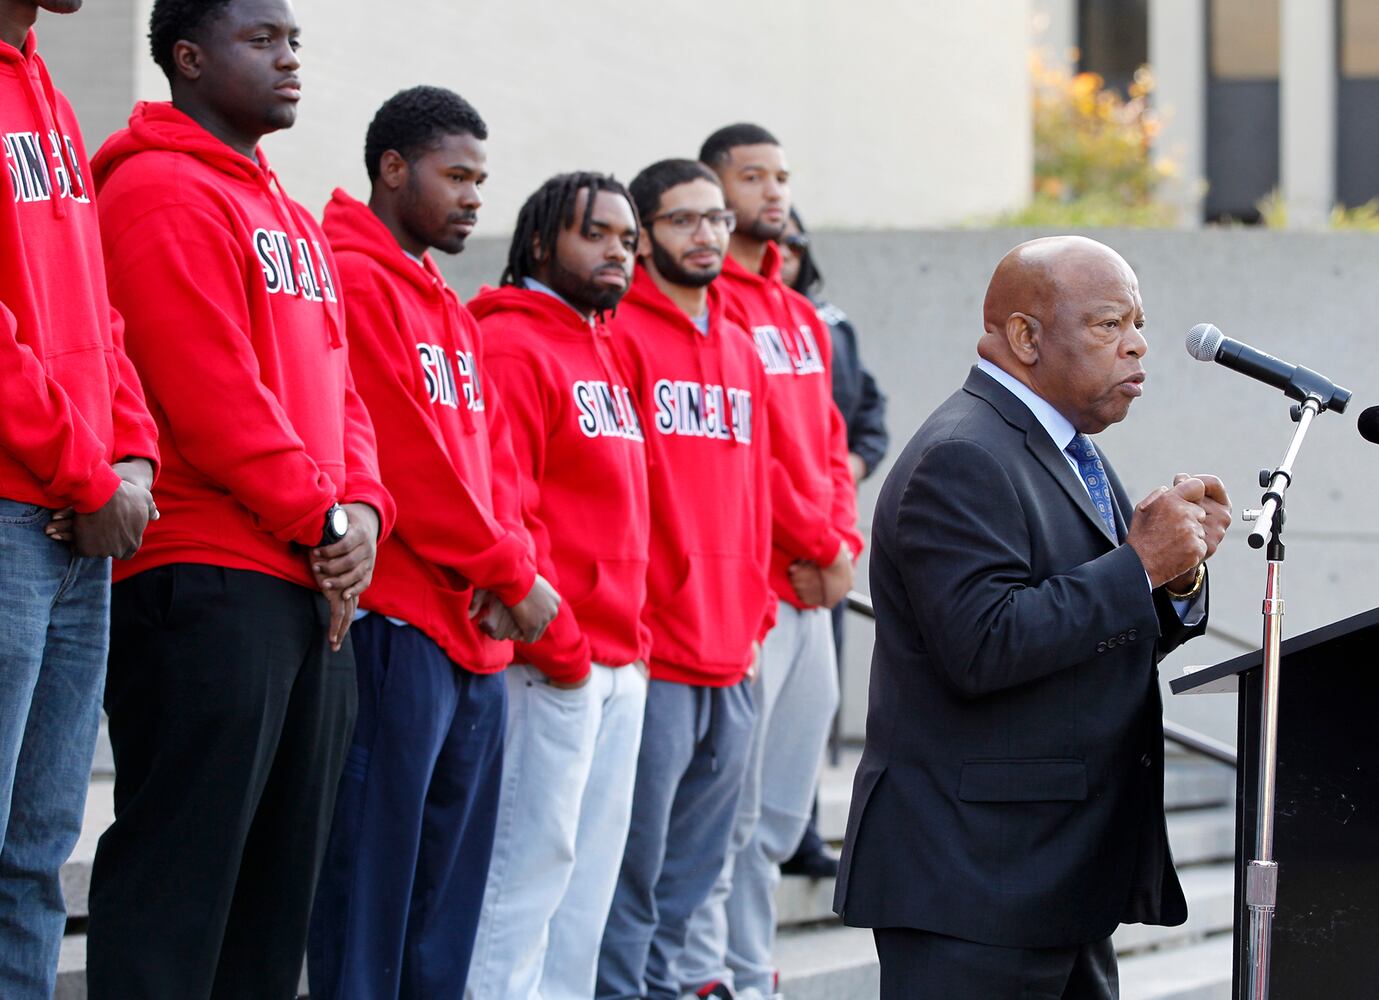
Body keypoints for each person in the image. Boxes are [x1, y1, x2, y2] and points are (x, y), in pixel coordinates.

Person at [84, 1, 395, 995]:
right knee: (183, 884)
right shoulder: (159, 191)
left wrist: (363, 513)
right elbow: (208, 389)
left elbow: (343, 391)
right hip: (207, 577)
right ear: (187, 58)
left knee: (274, 902)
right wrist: (325, 520)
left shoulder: (288, 215)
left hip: (307, 574)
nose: (289, 58)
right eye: (261, 41)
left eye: (294, 40)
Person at [834, 235, 1231, 1000]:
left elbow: (1096, 632)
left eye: (1138, 322)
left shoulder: (1067, 448)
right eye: (1108, 324)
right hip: (975, 885)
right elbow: (981, 646)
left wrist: (1175, 580)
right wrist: (1137, 565)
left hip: (1056, 878)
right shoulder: (963, 455)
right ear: (1023, 336)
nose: (1138, 344)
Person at [307, 86, 560, 1000]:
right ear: (391, 168)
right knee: (370, 893)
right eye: (455, 176)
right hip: (396, 625)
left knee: (444, 907)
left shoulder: (446, 303)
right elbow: (407, 462)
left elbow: (487, 465)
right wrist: (505, 569)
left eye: (481, 181)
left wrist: (508, 574)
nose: (472, 197)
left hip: (474, 635)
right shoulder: (352, 275)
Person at [679, 123, 863, 1000]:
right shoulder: (711, 308)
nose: (772, 192)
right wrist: (816, 547)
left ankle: (748, 971)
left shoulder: (796, 314)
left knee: (782, 812)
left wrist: (841, 549)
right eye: (752, 177)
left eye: (781, 175)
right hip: (755, 585)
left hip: (814, 586)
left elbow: (829, 445)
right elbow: (749, 458)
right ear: (714, 194)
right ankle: (726, 975)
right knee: (732, 808)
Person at [0, 2, 159, 995]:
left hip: (74, 510)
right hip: (23, 504)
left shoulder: (44, 85)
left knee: (38, 844)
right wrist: (88, 469)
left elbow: (94, 307)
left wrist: (132, 454)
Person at [465, 172, 652, 1000]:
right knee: (518, 886)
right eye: (597, 233)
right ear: (541, 242)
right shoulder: (510, 342)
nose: (618, 251)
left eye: (627, 239)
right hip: (548, 661)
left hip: (618, 658)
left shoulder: (599, 343)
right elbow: (507, 502)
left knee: (582, 901)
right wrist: (566, 650)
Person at [596, 159, 771, 1000]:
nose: (705, 235)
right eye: (681, 221)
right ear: (642, 238)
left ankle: (661, 991)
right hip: (654, 648)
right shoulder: (618, 335)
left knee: (696, 871)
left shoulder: (739, 345)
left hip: (734, 646)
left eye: (715, 220)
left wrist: (755, 611)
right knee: (631, 868)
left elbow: (755, 487)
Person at [777, 206, 889, 880]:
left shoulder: (829, 323)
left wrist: (851, 466)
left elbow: (865, 414)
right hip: (777, 542)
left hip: (829, 532)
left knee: (815, 702)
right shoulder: (742, 323)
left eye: (795, 241)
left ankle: (803, 831)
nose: (784, 251)